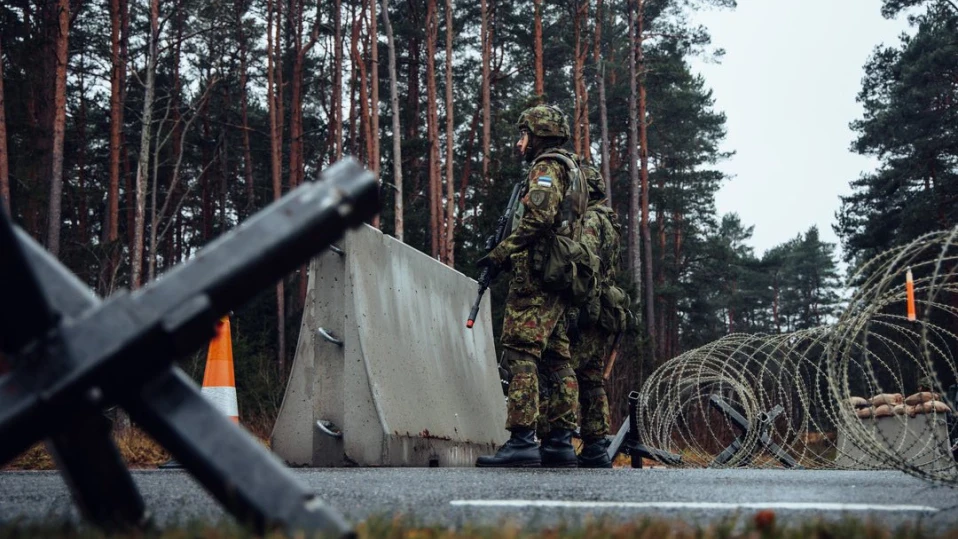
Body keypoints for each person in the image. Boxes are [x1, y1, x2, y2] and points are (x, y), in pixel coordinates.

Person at [475, 104, 586, 468]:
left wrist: (500, 253)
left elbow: (538, 218)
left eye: (524, 135)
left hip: (537, 277)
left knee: (521, 353)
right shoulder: (572, 168)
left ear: (538, 135)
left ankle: (522, 440)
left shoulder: (546, 168)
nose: (520, 143)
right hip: (557, 277)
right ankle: (559, 442)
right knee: (557, 360)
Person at [571, 164, 622, 468]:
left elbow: (584, 261)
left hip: (588, 306)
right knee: (591, 379)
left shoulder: (590, 219)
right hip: (603, 307)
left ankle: (559, 438)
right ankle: (595, 444)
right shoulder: (610, 221)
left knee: (563, 371)